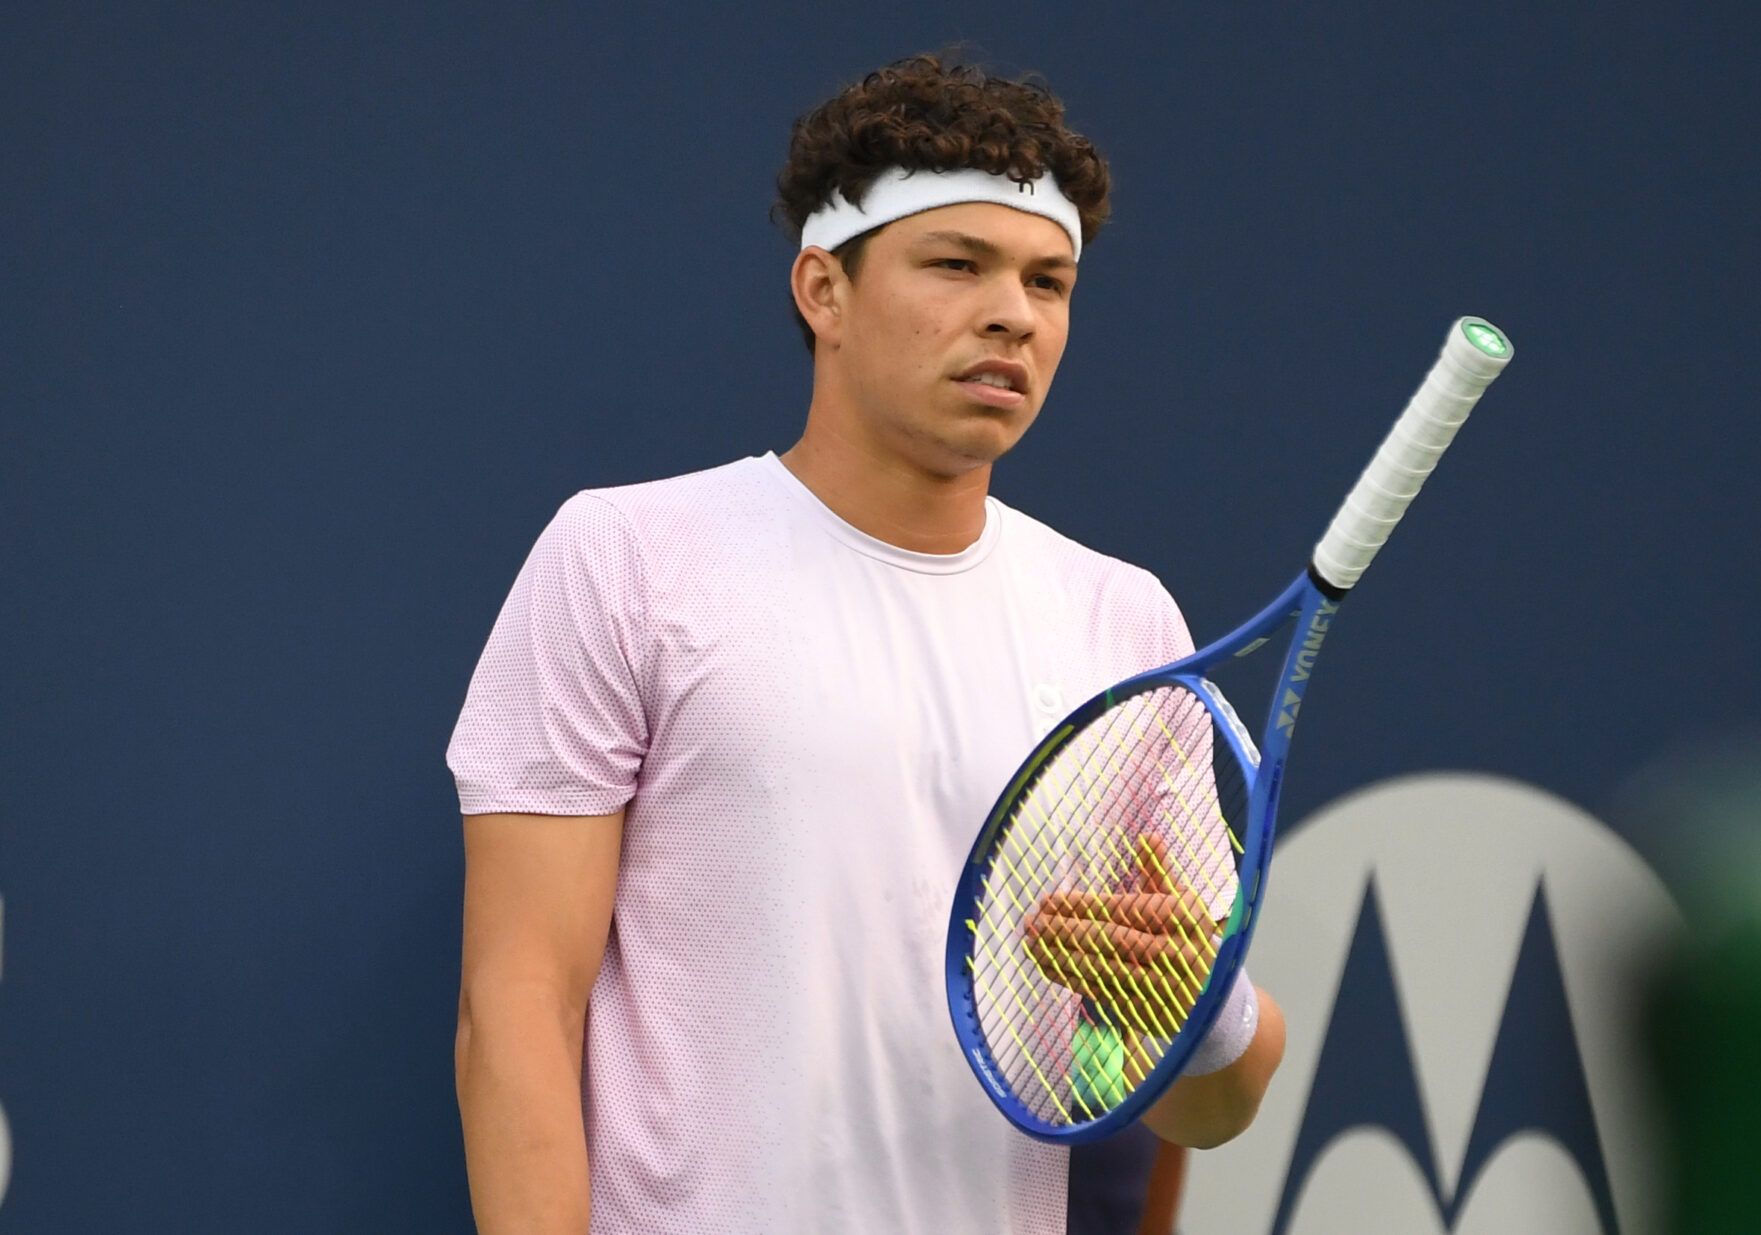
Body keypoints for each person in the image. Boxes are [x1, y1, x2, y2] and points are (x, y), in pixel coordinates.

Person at [446, 52, 1286, 1235]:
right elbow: (518, 1004)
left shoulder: (1121, 617)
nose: (1013, 313)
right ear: (821, 291)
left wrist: (1197, 1018)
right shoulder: (626, 556)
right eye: (957, 264)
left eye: (1050, 282)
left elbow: (1203, 1110)